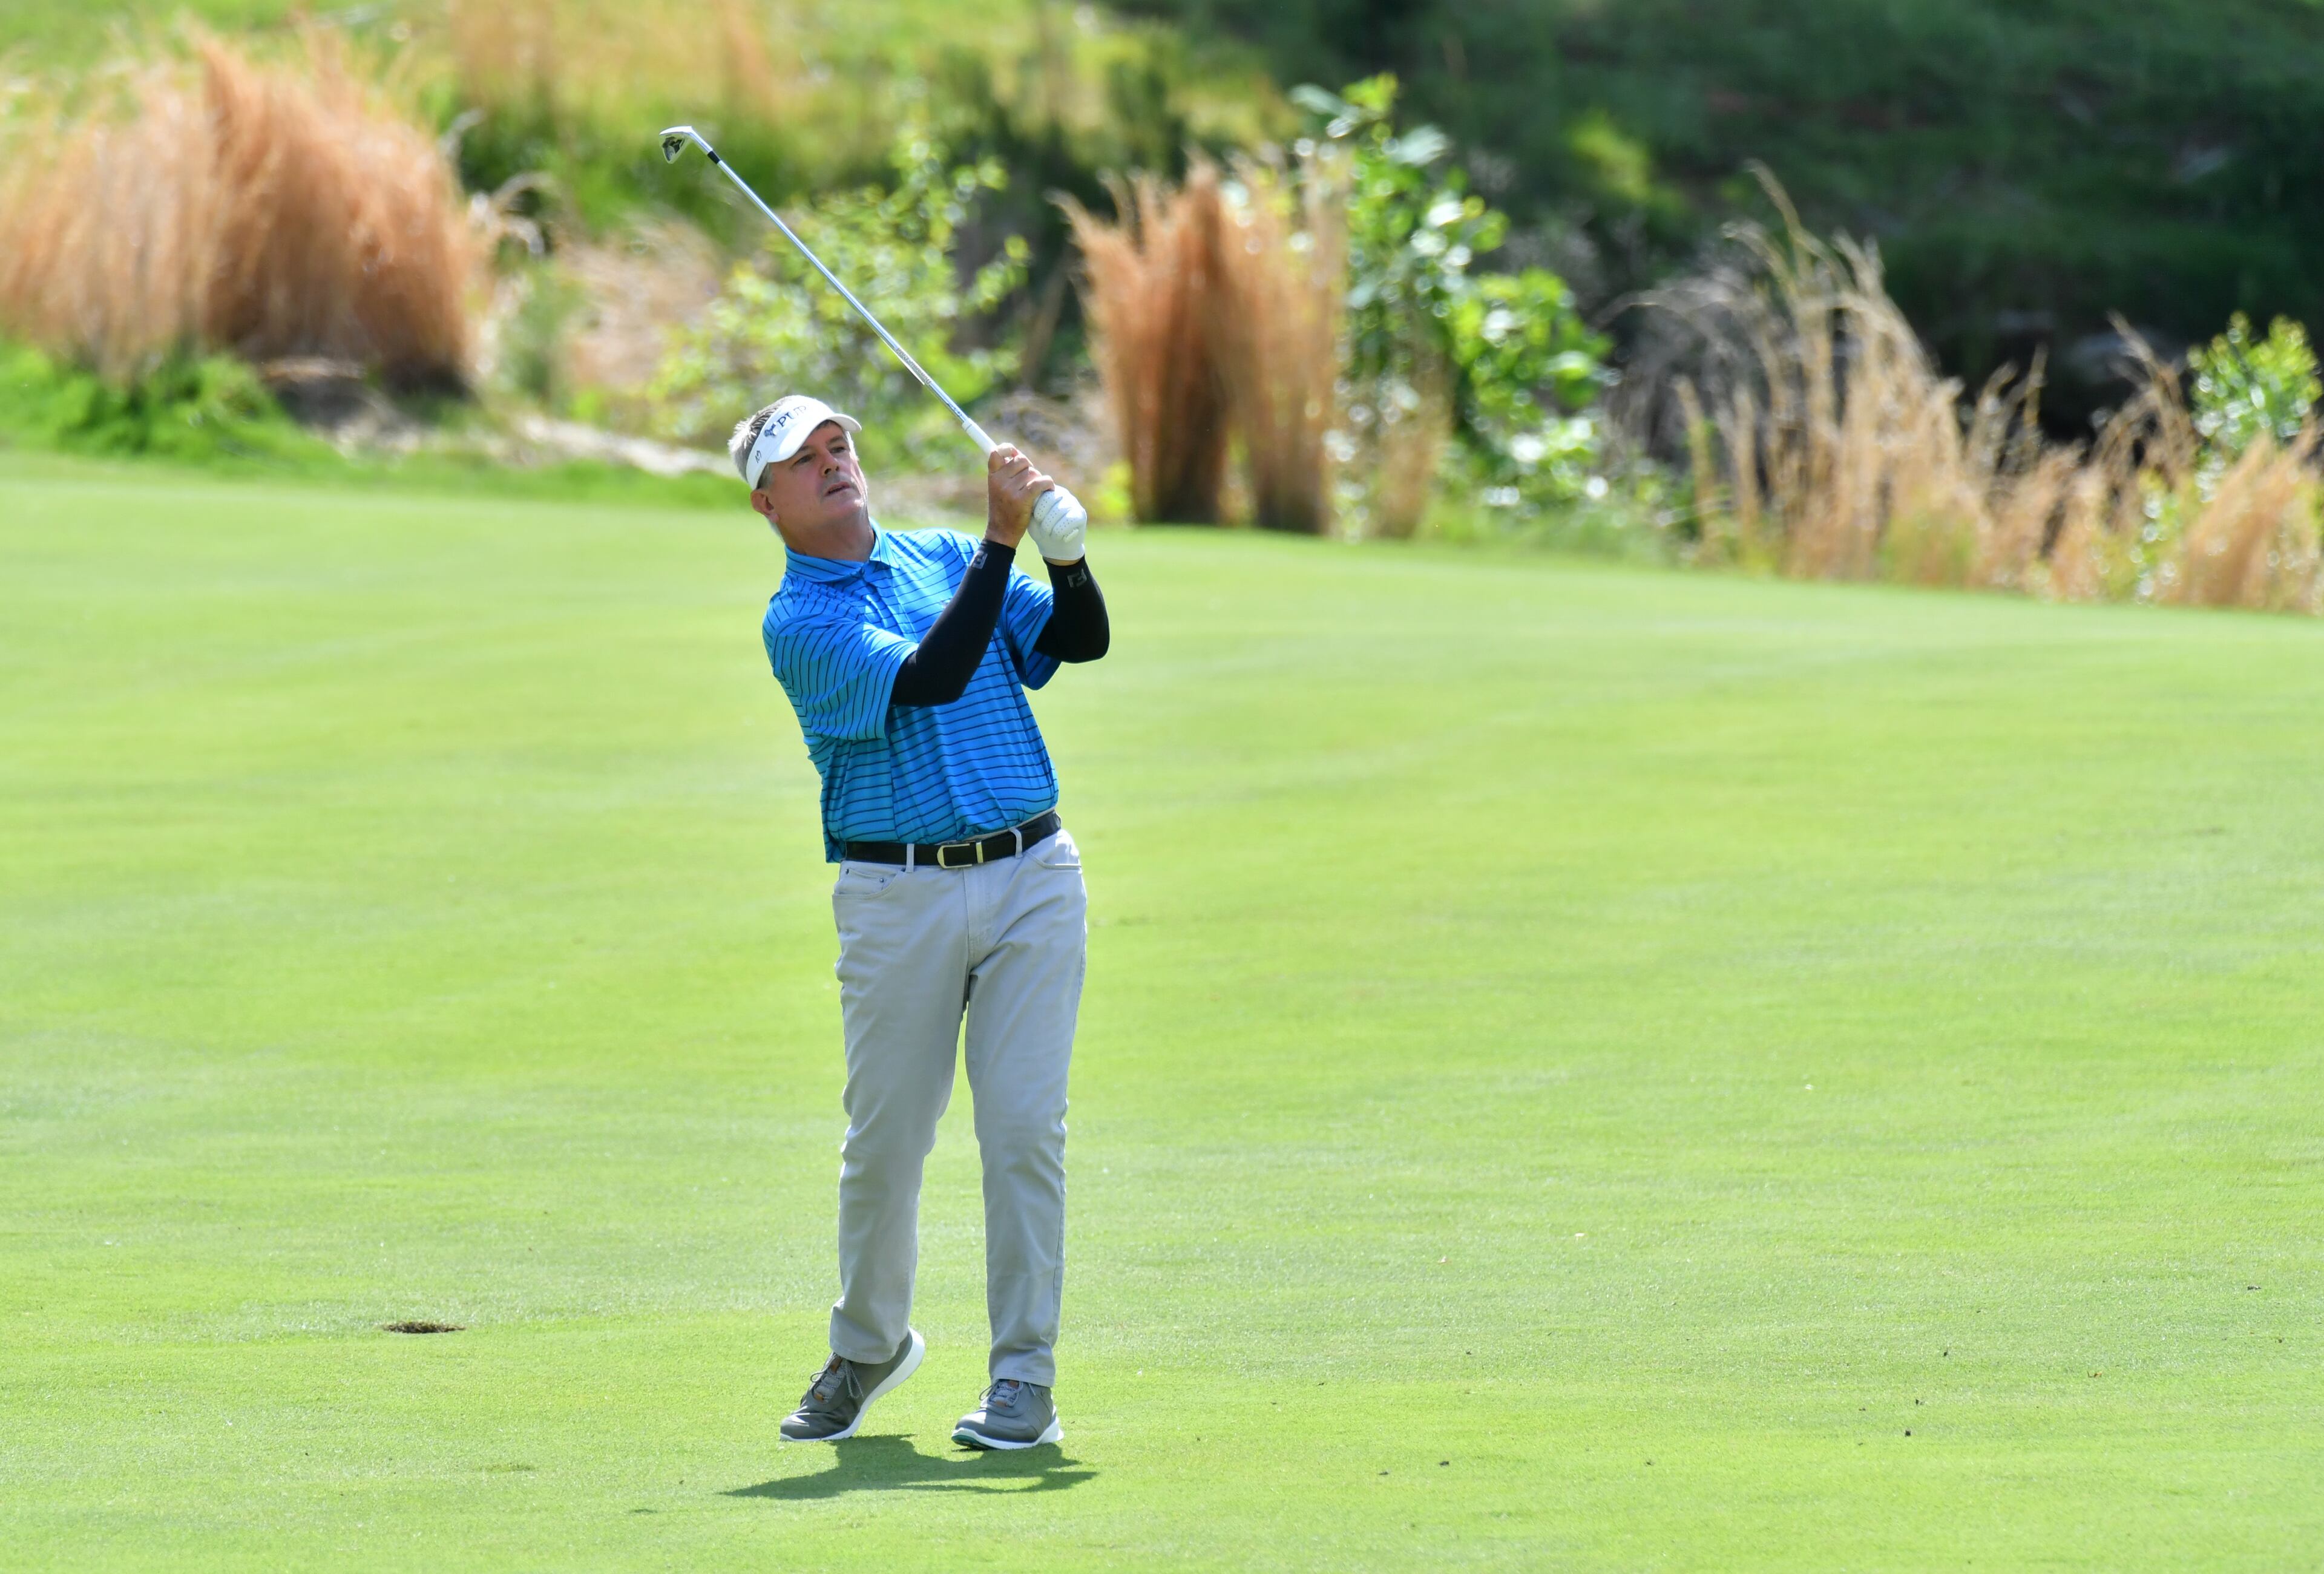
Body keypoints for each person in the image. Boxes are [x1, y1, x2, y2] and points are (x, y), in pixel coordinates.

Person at [732, 394, 1109, 1449]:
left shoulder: (943, 553)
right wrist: (1003, 538)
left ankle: (1024, 1378)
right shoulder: (799, 621)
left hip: (1033, 872)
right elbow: (936, 676)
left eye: (838, 445)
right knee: (887, 1142)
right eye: (803, 462)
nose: (833, 465)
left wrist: (1067, 560)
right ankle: (868, 1347)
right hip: (897, 892)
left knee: (1027, 1131)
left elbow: (1080, 643)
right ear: (769, 505)